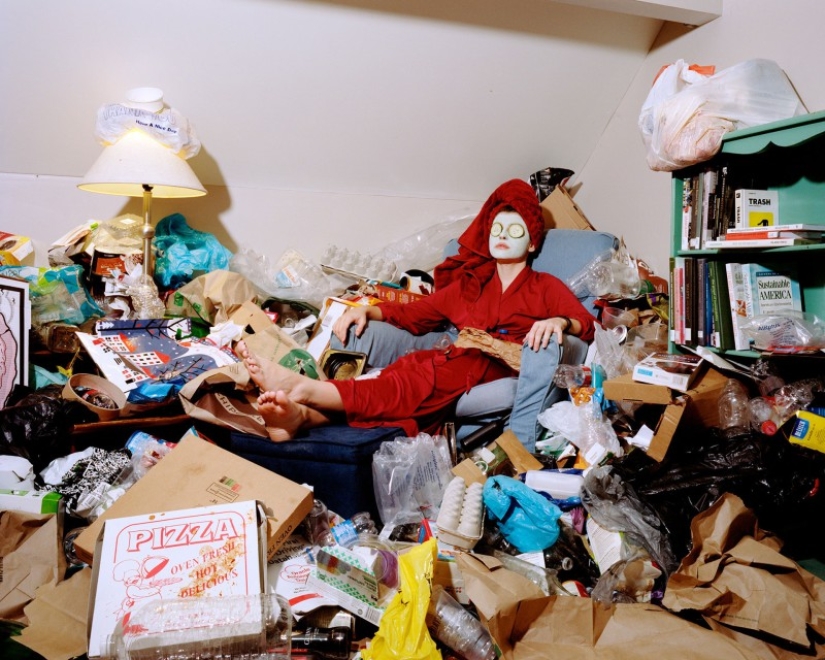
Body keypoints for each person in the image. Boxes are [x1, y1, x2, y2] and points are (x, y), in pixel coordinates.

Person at [239, 179, 596, 445]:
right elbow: (417, 313)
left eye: (514, 231)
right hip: (452, 357)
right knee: (403, 374)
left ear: (532, 242)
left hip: (499, 363)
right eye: (497, 229)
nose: (502, 236)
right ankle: (302, 418)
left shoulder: (544, 285)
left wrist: (559, 320)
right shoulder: (472, 284)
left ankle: (307, 391)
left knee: (418, 379)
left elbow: (589, 327)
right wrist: (371, 313)